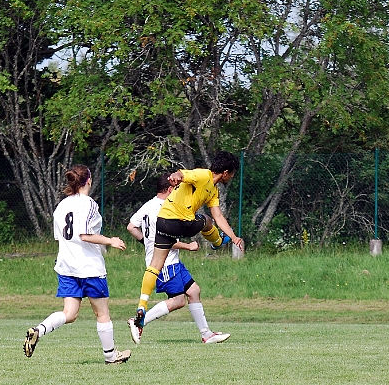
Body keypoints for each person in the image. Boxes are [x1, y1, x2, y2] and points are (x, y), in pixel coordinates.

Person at [24, 164, 132, 364]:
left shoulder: (62, 206)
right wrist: (110, 241)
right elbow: (85, 235)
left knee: (70, 313)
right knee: (102, 312)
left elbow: (61, 237)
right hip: (89, 267)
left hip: (66, 266)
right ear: (88, 180)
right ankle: (111, 356)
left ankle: (39, 330)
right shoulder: (88, 203)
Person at [133, 151, 244, 329]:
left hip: (163, 222)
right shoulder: (203, 175)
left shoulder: (213, 191)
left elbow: (220, 216)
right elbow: (183, 174)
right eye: (232, 173)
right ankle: (216, 242)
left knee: (155, 266)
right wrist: (176, 176)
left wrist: (232, 236)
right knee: (206, 220)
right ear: (225, 172)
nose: (231, 177)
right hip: (178, 222)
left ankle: (142, 306)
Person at [126, 173, 231, 344]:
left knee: (194, 291)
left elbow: (131, 226)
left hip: (172, 261)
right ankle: (138, 321)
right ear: (169, 189)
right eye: (175, 189)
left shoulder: (148, 205)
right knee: (178, 300)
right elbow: (164, 241)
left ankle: (206, 334)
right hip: (165, 264)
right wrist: (187, 246)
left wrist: (146, 243)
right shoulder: (163, 208)